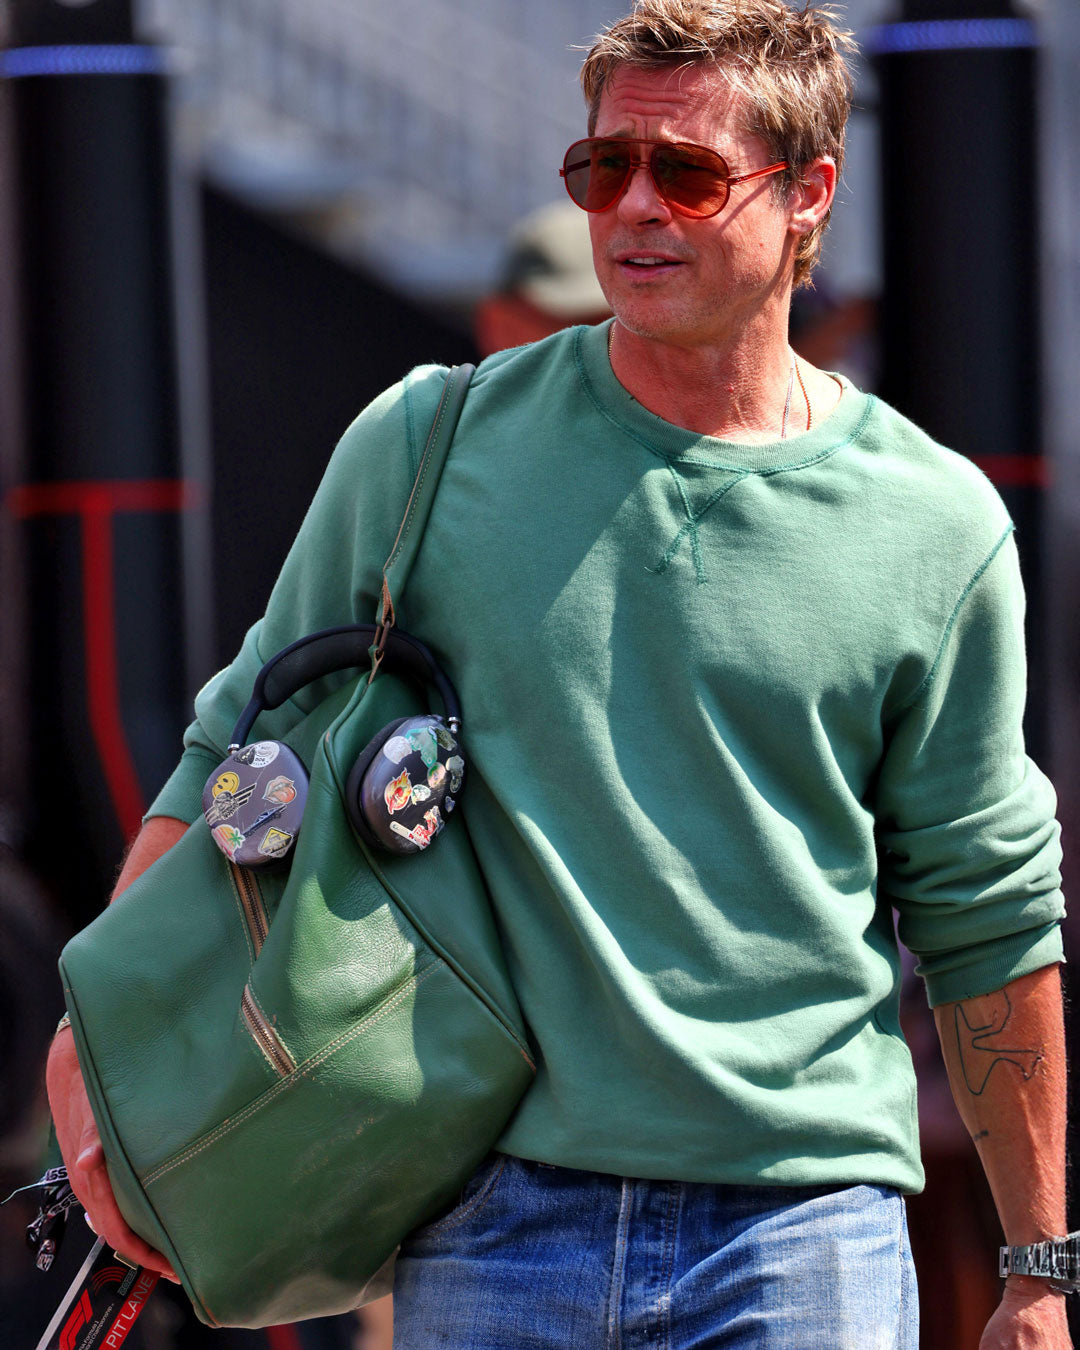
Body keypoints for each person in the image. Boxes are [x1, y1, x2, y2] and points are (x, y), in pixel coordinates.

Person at [47, 2, 1069, 1346]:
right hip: (490, 1214)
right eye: (604, 167)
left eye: (686, 173)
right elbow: (238, 750)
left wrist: (1039, 1266)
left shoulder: (933, 523)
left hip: (804, 1231)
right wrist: (101, 1039)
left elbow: (988, 909)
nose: (634, 206)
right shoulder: (428, 443)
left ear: (809, 193)